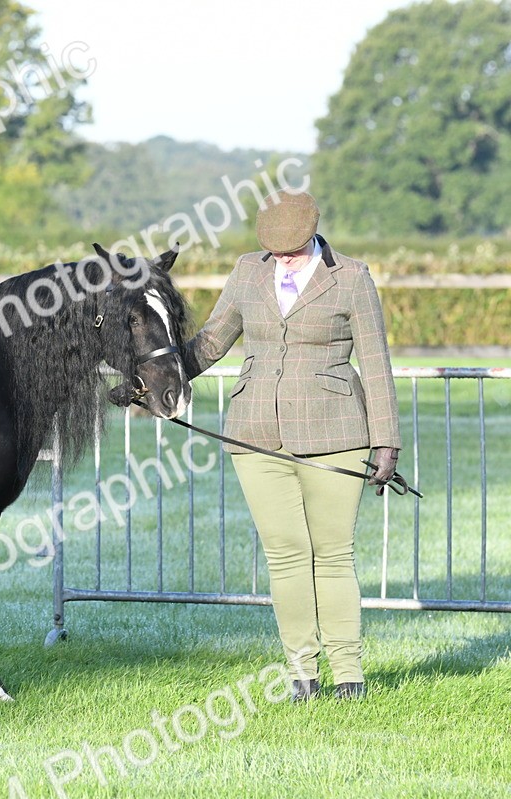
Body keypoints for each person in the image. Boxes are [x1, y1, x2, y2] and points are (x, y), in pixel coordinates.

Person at [182, 189, 400, 702]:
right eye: (275, 249)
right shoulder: (246, 271)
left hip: (336, 432)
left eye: (293, 249)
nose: (283, 258)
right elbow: (212, 341)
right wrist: (159, 379)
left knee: (333, 554)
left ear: (314, 234)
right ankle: (302, 673)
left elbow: (375, 361)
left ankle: (349, 674)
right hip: (256, 432)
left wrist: (387, 441)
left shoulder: (352, 277)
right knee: (285, 555)